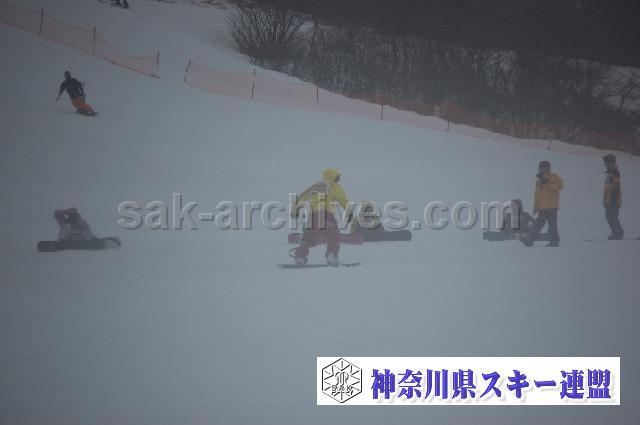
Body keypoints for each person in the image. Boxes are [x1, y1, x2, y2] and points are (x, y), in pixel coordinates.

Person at [291, 168, 350, 266]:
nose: (338, 180)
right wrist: (349, 211)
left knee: (307, 238)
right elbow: (343, 199)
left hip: (313, 216)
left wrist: (294, 211)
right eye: (337, 178)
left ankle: (300, 257)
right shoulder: (334, 186)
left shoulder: (315, 186)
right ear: (333, 177)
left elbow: (301, 198)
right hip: (327, 215)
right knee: (333, 236)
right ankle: (332, 255)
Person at [524, 161, 564, 247]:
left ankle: (554, 243)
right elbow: (537, 195)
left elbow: (559, 186)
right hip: (542, 208)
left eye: (546, 168)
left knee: (552, 226)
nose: (544, 170)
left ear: (549, 168)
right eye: (542, 168)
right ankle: (530, 241)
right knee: (537, 225)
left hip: (552, 208)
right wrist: (536, 207)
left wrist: (548, 182)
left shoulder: (554, 177)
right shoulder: (539, 180)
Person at [603, 154, 624, 240]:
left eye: (607, 162)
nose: (605, 164)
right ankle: (617, 233)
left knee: (612, 216)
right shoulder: (610, 173)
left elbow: (615, 187)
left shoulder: (614, 173)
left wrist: (612, 200)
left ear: (612, 162)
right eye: (605, 162)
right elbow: (608, 188)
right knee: (609, 216)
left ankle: (618, 233)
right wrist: (605, 200)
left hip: (613, 200)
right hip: (610, 200)